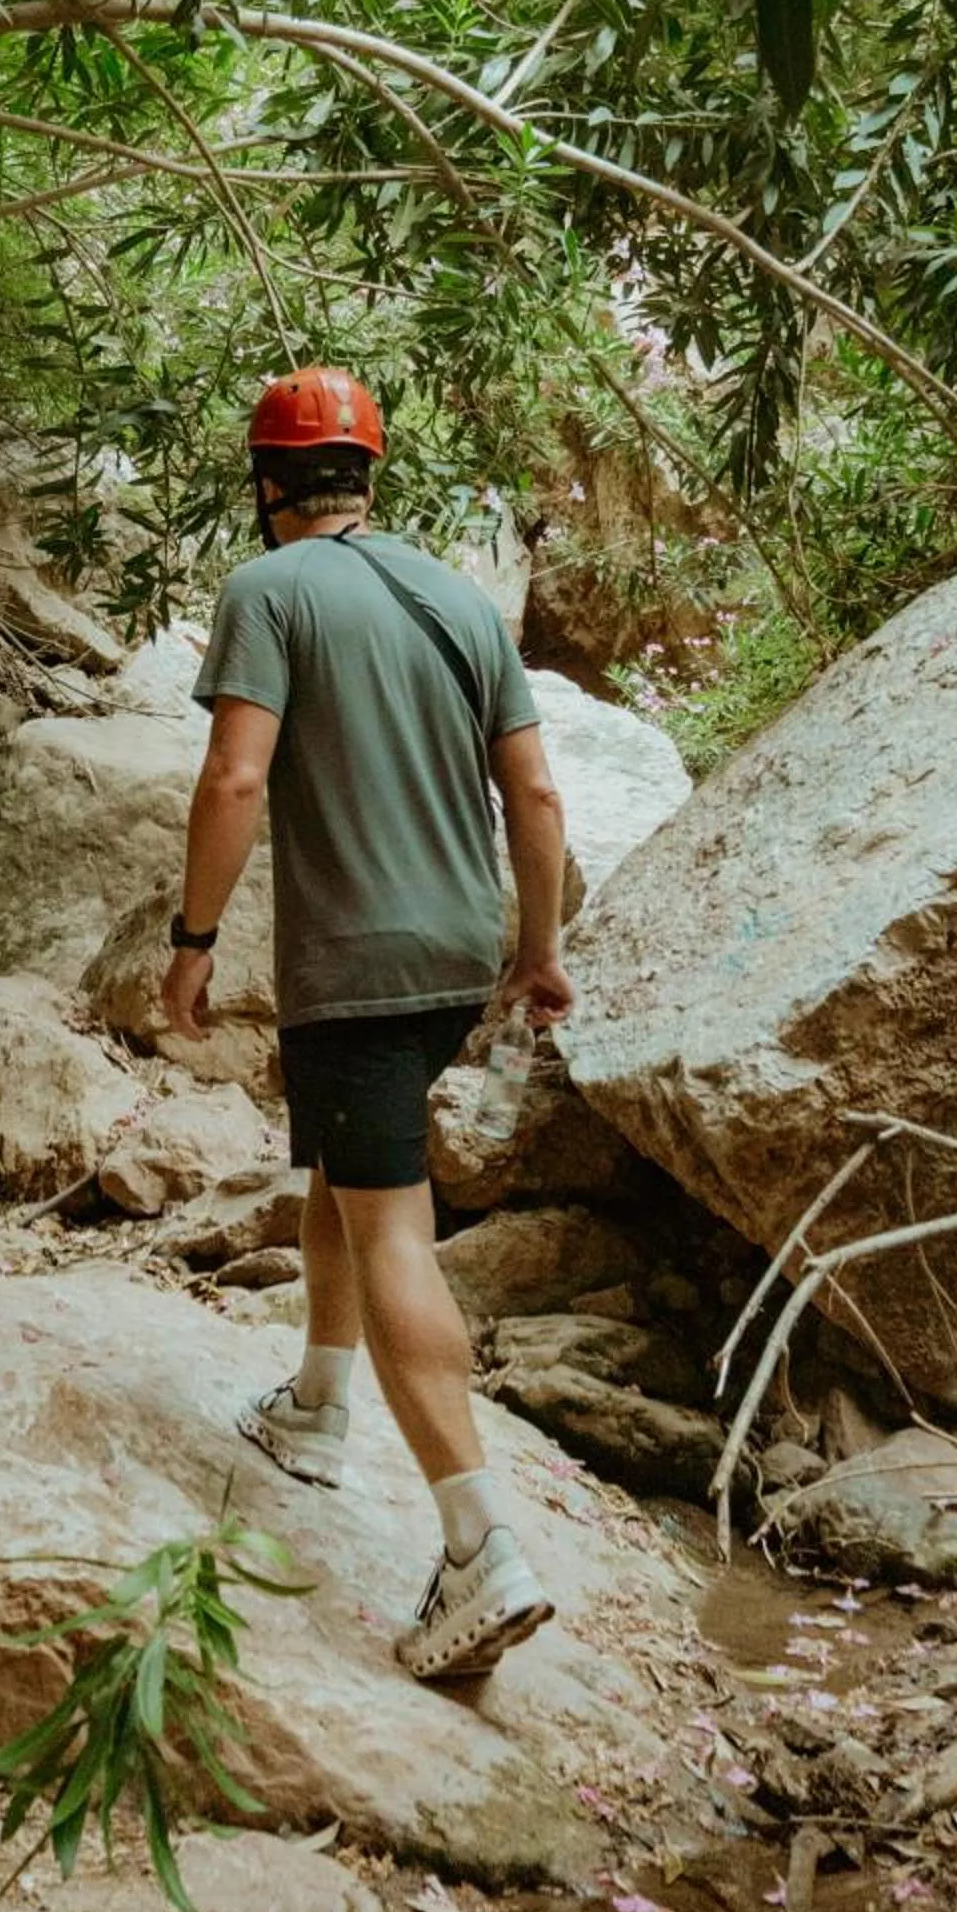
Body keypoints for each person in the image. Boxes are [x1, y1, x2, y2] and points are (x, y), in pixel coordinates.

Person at [160, 365, 574, 1683]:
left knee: (393, 1222)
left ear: (266, 483)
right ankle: (318, 1403)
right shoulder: (460, 599)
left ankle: (476, 1544)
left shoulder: (267, 590)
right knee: (349, 1168)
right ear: (368, 475)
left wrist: (191, 941)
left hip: (354, 958)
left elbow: (234, 776)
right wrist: (538, 953)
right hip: (457, 951)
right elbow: (537, 798)